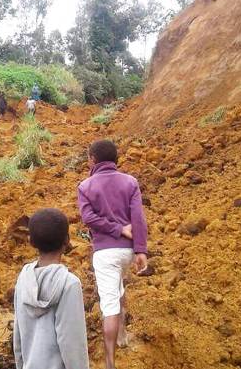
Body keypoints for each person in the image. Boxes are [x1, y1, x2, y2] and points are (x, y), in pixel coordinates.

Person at [76, 139, 148, 369]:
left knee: (108, 305)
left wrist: (115, 229)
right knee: (118, 287)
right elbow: (138, 218)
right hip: (127, 251)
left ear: (92, 160)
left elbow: (88, 219)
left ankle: (109, 364)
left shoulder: (85, 186)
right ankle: (123, 336)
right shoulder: (130, 182)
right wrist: (140, 250)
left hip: (105, 253)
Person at [13, 208, 90, 369]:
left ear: (31, 241)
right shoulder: (69, 284)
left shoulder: (23, 279)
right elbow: (72, 343)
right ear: (67, 240)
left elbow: (18, 336)